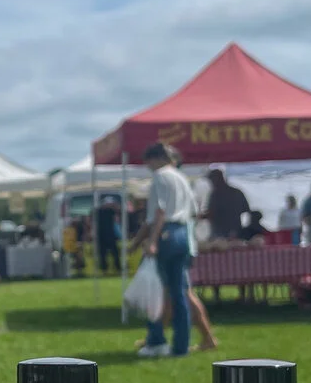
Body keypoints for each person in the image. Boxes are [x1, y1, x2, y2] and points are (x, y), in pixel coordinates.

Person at [129, 142, 196, 359]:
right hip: (183, 233)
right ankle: (181, 345)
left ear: (156, 159)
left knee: (156, 291)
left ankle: (156, 339)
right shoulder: (182, 178)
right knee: (179, 292)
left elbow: (158, 212)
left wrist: (150, 241)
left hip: (165, 233)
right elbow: (193, 210)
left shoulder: (160, 177)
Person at [205, 169, 250, 240]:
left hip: (219, 234)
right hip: (237, 232)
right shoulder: (237, 192)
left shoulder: (215, 195)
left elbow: (211, 213)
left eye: (212, 180)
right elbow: (246, 210)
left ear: (217, 179)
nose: (211, 183)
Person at [96, 197, 120, 273]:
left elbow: (117, 212)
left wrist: (113, 206)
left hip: (110, 234)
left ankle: (118, 268)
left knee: (115, 253)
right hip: (101, 235)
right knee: (102, 254)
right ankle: (104, 269)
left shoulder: (111, 211)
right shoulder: (98, 211)